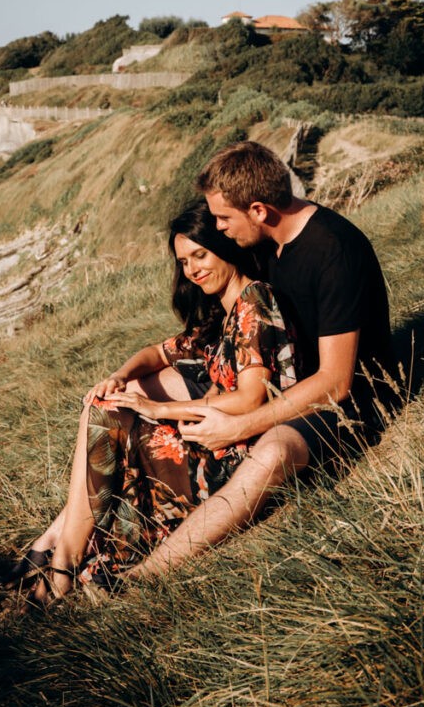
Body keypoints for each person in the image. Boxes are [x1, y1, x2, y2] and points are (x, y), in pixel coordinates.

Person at [125, 140, 402, 582]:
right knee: (137, 391)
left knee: (272, 450)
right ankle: (60, 546)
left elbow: (335, 382)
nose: (218, 228)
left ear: (258, 210)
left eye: (223, 219)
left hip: (348, 406)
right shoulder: (265, 242)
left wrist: (239, 425)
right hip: (278, 382)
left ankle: (148, 575)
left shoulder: (333, 251)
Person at [14, 200, 296, 605]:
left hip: (232, 454)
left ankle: (63, 566)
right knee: (107, 406)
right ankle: (64, 559)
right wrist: (120, 376)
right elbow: (157, 353)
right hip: (207, 443)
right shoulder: (222, 315)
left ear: (226, 248)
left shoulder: (254, 299)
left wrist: (160, 411)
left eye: (200, 255)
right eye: (184, 262)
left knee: (110, 419)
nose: (193, 269)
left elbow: (252, 397)